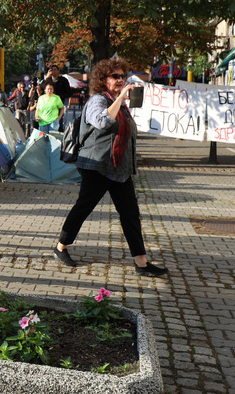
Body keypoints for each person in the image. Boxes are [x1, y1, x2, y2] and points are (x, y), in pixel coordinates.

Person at [52, 57, 168, 278]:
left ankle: (141, 263)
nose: (120, 79)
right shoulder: (97, 101)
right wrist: (121, 97)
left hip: (118, 169)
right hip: (96, 166)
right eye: (115, 76)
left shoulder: (119, 102)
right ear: (102, 79)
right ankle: (60, 247)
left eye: (122, 76)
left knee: (130, 214)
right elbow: (103, 122)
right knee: (83, 208)